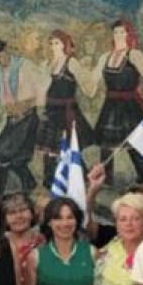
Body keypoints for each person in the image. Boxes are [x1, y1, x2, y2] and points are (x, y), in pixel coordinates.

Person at [86, 19, 143, 185]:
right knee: (106, 144)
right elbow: (93, 78)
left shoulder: (134, 54)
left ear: (128, 34)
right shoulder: (105, 57)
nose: (118, 35)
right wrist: (86, 65)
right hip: (110, 104)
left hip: (130, 105)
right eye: (115, 32)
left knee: (132, 142)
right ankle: (107, 179)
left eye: (122, 32)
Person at [36, 30, 96, 187]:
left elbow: (87, 86)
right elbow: (42, 87)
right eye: (51, 43)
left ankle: (84, 177)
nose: (53, 46)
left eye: (57, 43)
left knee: (69, 145)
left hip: (66, 111)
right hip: (51, 109)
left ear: (64, 44)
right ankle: (49, 180)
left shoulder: (71, 62)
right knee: (49, 148)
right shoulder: (48, 64)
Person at [0, 39, 42, 195]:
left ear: (7, 51)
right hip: (12, 119)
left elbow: (40, 87)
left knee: (1, 149)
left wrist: (26, 104)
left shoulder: (23, 66)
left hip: (27, 118)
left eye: (0, 55)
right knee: (17, 159)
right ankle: (29, 183)